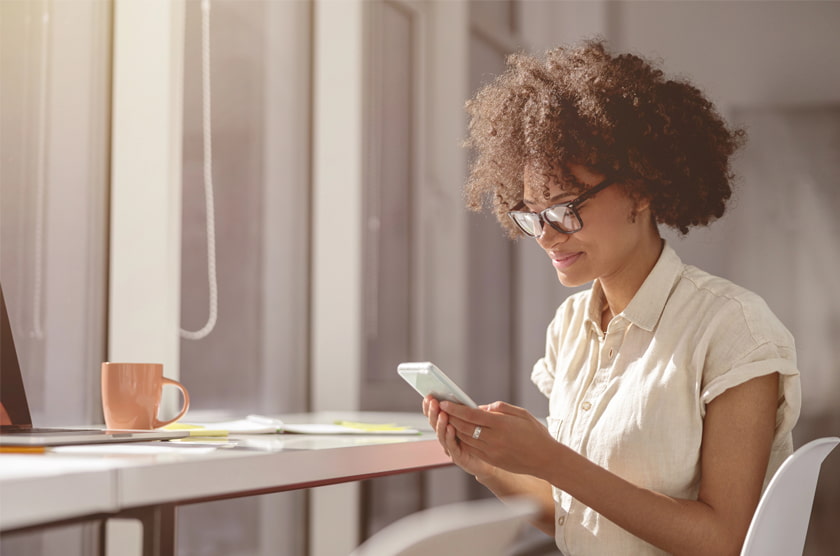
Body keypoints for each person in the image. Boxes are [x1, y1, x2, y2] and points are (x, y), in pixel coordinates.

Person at [423, 39, 800, 556]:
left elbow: (723, 542)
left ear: (641, 190)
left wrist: (550, 458)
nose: (548, 236)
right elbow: (578, 521)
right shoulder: (571, 327)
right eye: (532, 214)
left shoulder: (733, 330)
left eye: (564, 208)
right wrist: (489, 466)